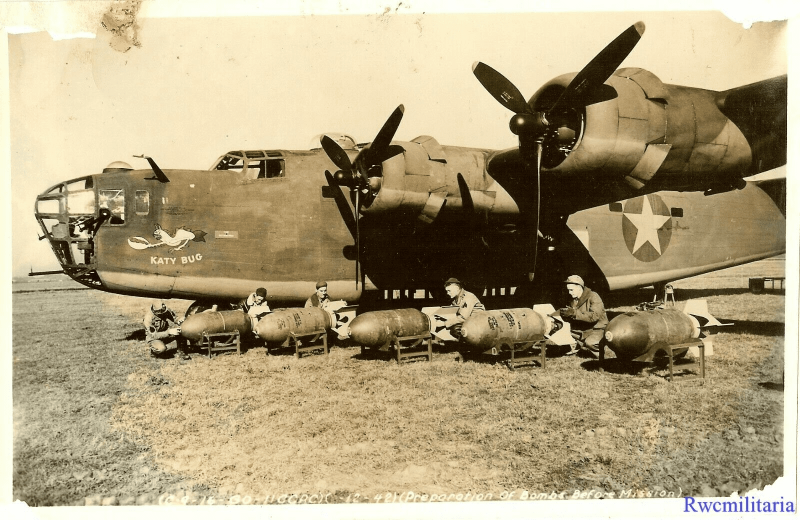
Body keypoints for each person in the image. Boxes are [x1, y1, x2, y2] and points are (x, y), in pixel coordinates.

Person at [556, 275, 608, 356]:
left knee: (590, 343)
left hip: (597, 328)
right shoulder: (573, 299)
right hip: (583, 328)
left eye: (571, 290)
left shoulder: (594, 296)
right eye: (568, 290)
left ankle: (600, 354)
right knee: (561, 334)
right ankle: (579, 344)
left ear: (579, 287)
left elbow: (595, 316)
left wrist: (574, 313)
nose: (569, 292)